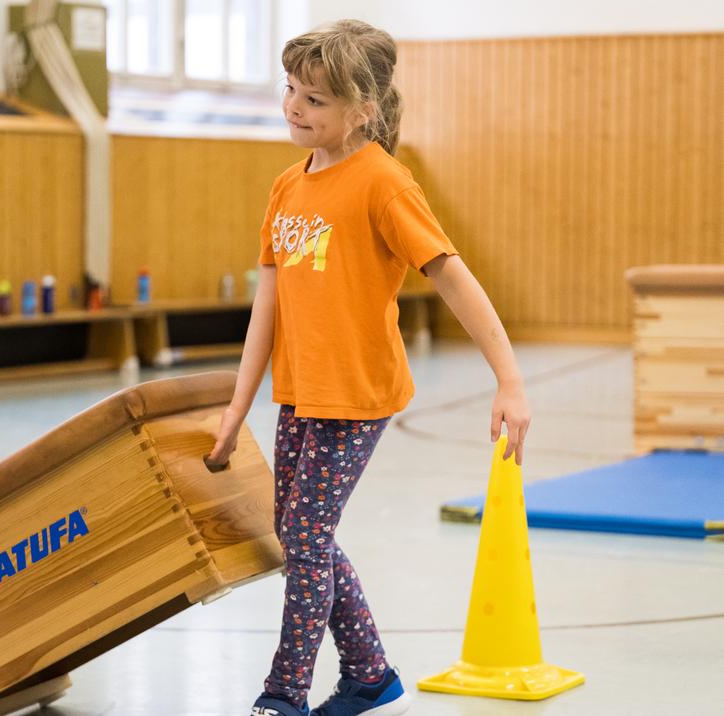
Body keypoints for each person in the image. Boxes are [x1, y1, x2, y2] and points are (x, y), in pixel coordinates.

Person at [207, 19, 531, 716]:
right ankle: (370, 676)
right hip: (301, 392)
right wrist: (239, 404)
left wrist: (509, 380)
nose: (294, 107)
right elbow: (269, 302)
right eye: (290, 90)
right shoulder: (286, 187)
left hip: (357, 395)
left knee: (304, 537)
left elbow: (453, 277)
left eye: (315, 99)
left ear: (363, 110)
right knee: (304, 536)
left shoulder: (384, 184)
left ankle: (284, 694)